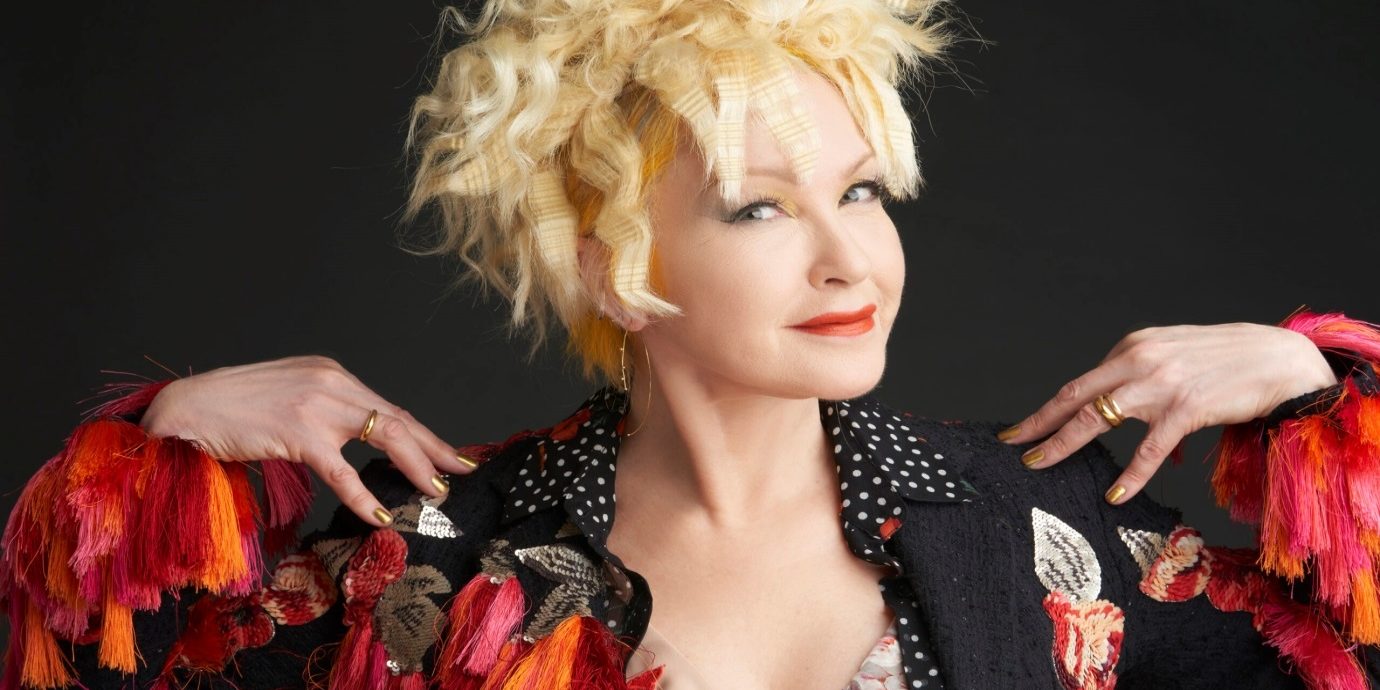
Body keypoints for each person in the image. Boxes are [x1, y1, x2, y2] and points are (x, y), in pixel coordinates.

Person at [4, 0, 1380, 688]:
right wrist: (163, 438)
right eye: (759, 207)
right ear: (610, 266)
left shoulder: (1040, 527)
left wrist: (1322, 389)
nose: (849, 258)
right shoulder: (435, 556)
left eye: (861, 192)